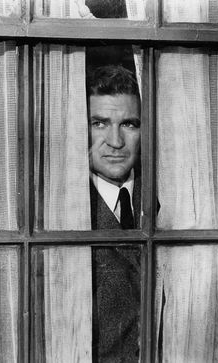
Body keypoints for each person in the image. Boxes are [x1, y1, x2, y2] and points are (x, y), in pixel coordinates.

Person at [86, 65, 141, 362]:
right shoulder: (62, 210)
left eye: (130, 124)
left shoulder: (175, 200)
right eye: (100, 123)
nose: (116, 142)